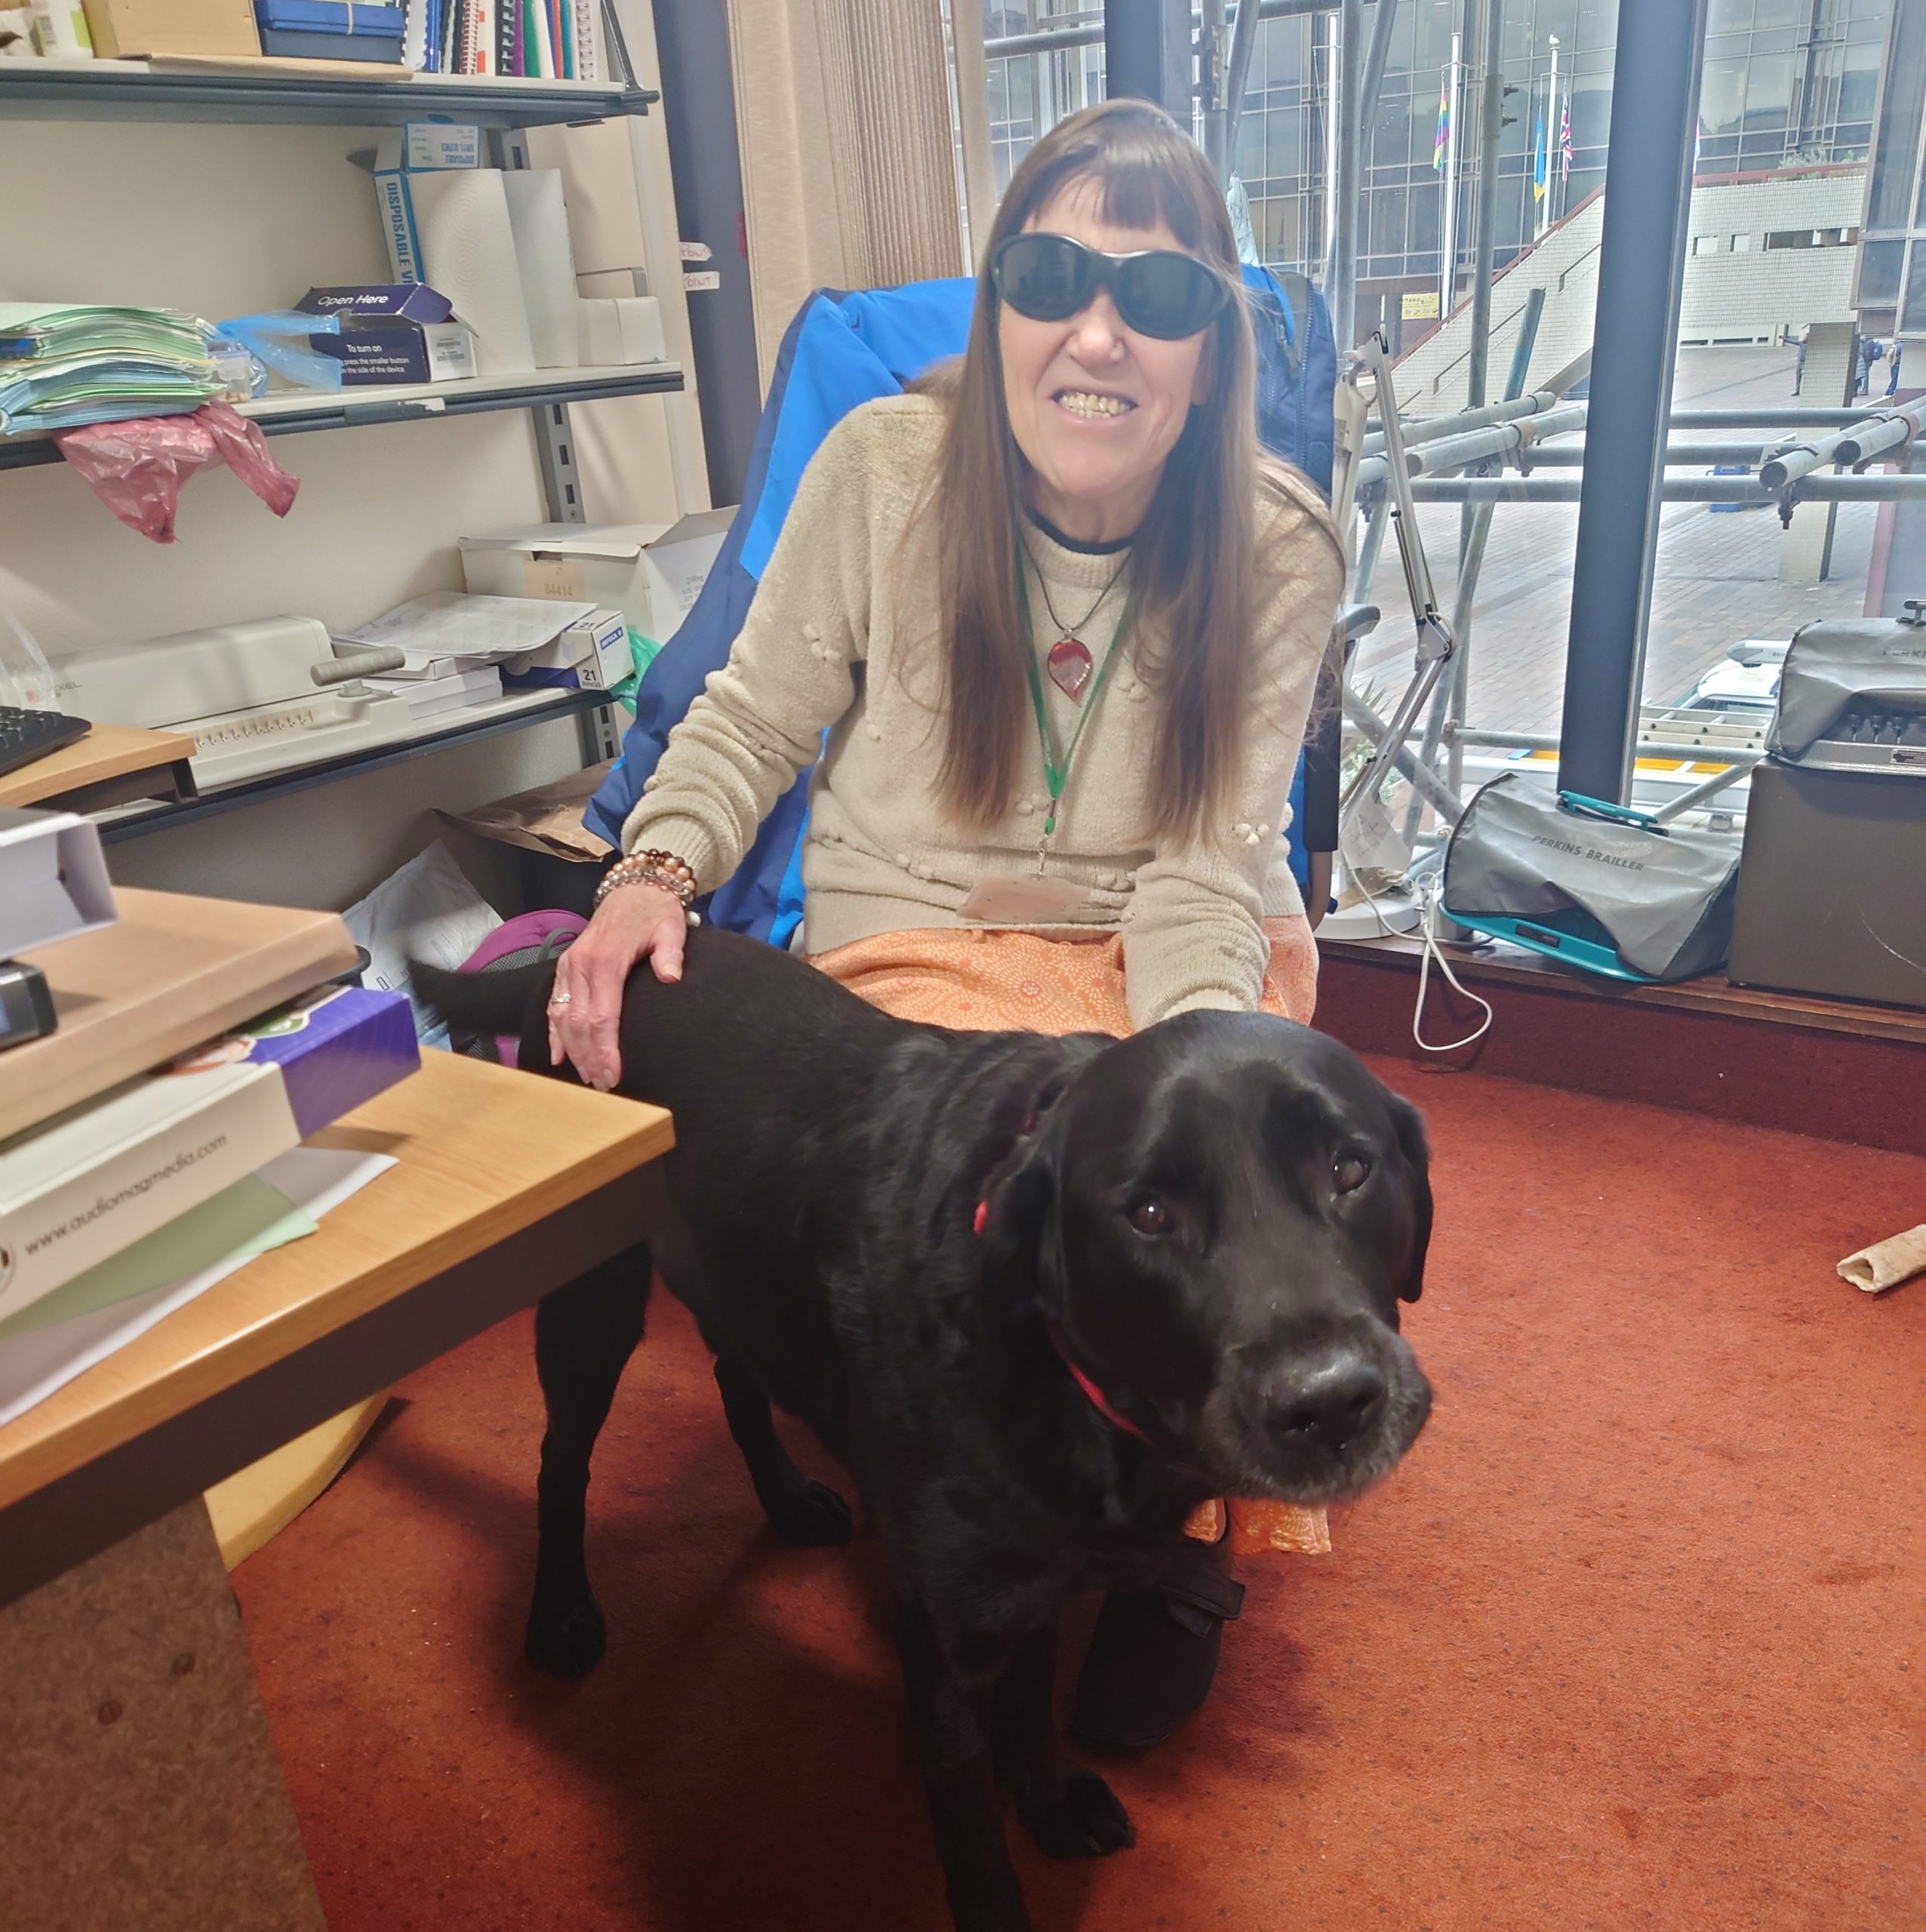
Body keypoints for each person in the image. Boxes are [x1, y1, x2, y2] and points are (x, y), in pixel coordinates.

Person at [545, 97, 1344, 1750]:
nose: (1101, 330)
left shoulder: (1276, 542)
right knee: (1000, 1207)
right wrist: (649, 874)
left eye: (1163, 295)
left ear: (1212, 352)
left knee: (1219, 1167)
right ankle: (1010, 1507)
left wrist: (1181, 1084)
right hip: (915, 940)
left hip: (1170, 943)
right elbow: (751, 717)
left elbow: (1212, 857)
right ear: (998, 305)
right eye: (1053, 275)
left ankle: (1179, 1538)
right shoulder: (883, 469)